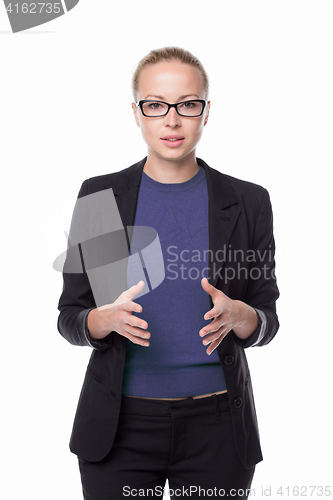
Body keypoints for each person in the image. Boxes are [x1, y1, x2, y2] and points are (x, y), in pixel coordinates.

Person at [57, 46, 279, 500]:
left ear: (206, 111)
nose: (172, 120)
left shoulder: (249, 201)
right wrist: (103, 321)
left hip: (218, 430)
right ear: (136, 113)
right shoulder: (100, 197)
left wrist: (243, 317)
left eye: (187, 104)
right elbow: (71, 315)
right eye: (156, 105)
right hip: (119, 427)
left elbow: (267, 318)